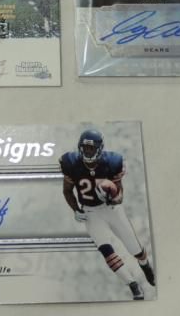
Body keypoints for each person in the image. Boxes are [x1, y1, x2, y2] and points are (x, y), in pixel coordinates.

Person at [60, 129, 156, 300]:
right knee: (107, 251)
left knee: (134, 249)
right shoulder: (71, 163)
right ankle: (133, 285)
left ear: (99, 148)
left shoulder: (112, 162)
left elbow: (120, 196)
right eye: (85, 148)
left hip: (111, 210)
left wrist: (112, 197)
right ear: (80, 147)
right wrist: (75, 209)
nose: (88, 151)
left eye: (91, 148)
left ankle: (145, 265)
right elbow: (67, 191)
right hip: (91, 213)